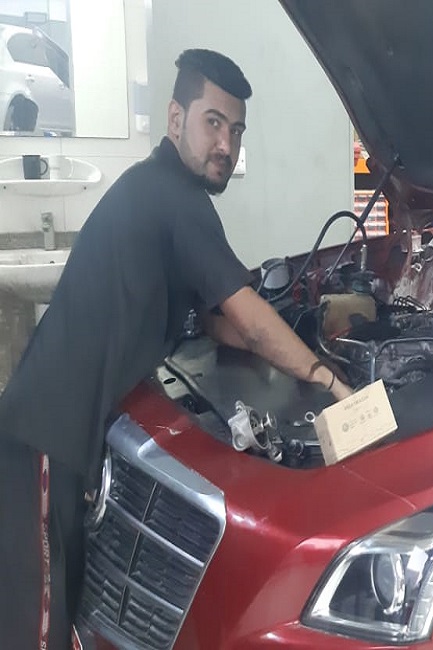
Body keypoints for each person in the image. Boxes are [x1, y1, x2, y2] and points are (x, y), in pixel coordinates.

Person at [0, 49, 352, 650]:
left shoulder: (162, 189)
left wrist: (300, 339)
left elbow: (221, 323)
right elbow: (248, 320)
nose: (226, 144)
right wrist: (329, 381)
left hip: (63, 428)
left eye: (236, 130)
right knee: (37, 623)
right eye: (213, 122)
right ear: (174, 118)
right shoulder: (175, 199)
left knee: (63, 606)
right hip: (44, 437)